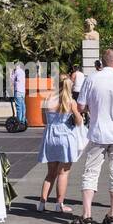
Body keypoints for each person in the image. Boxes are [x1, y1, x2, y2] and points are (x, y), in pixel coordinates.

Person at [70, 49, 113, 224]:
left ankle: (87, 214)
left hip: (98, 132)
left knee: (91, 172)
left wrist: (93, 108)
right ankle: (112, 213)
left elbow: (81, 105)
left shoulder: (92, 78)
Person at [38, 75, 86, 212]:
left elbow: (44, 121)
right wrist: (76, 113)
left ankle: (42, 203)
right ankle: (59, 204)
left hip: (50, 137)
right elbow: (79, 121)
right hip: (65, 138)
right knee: (63, 173)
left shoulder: (47, 100)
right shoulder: (70, 102)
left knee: (50, 173)